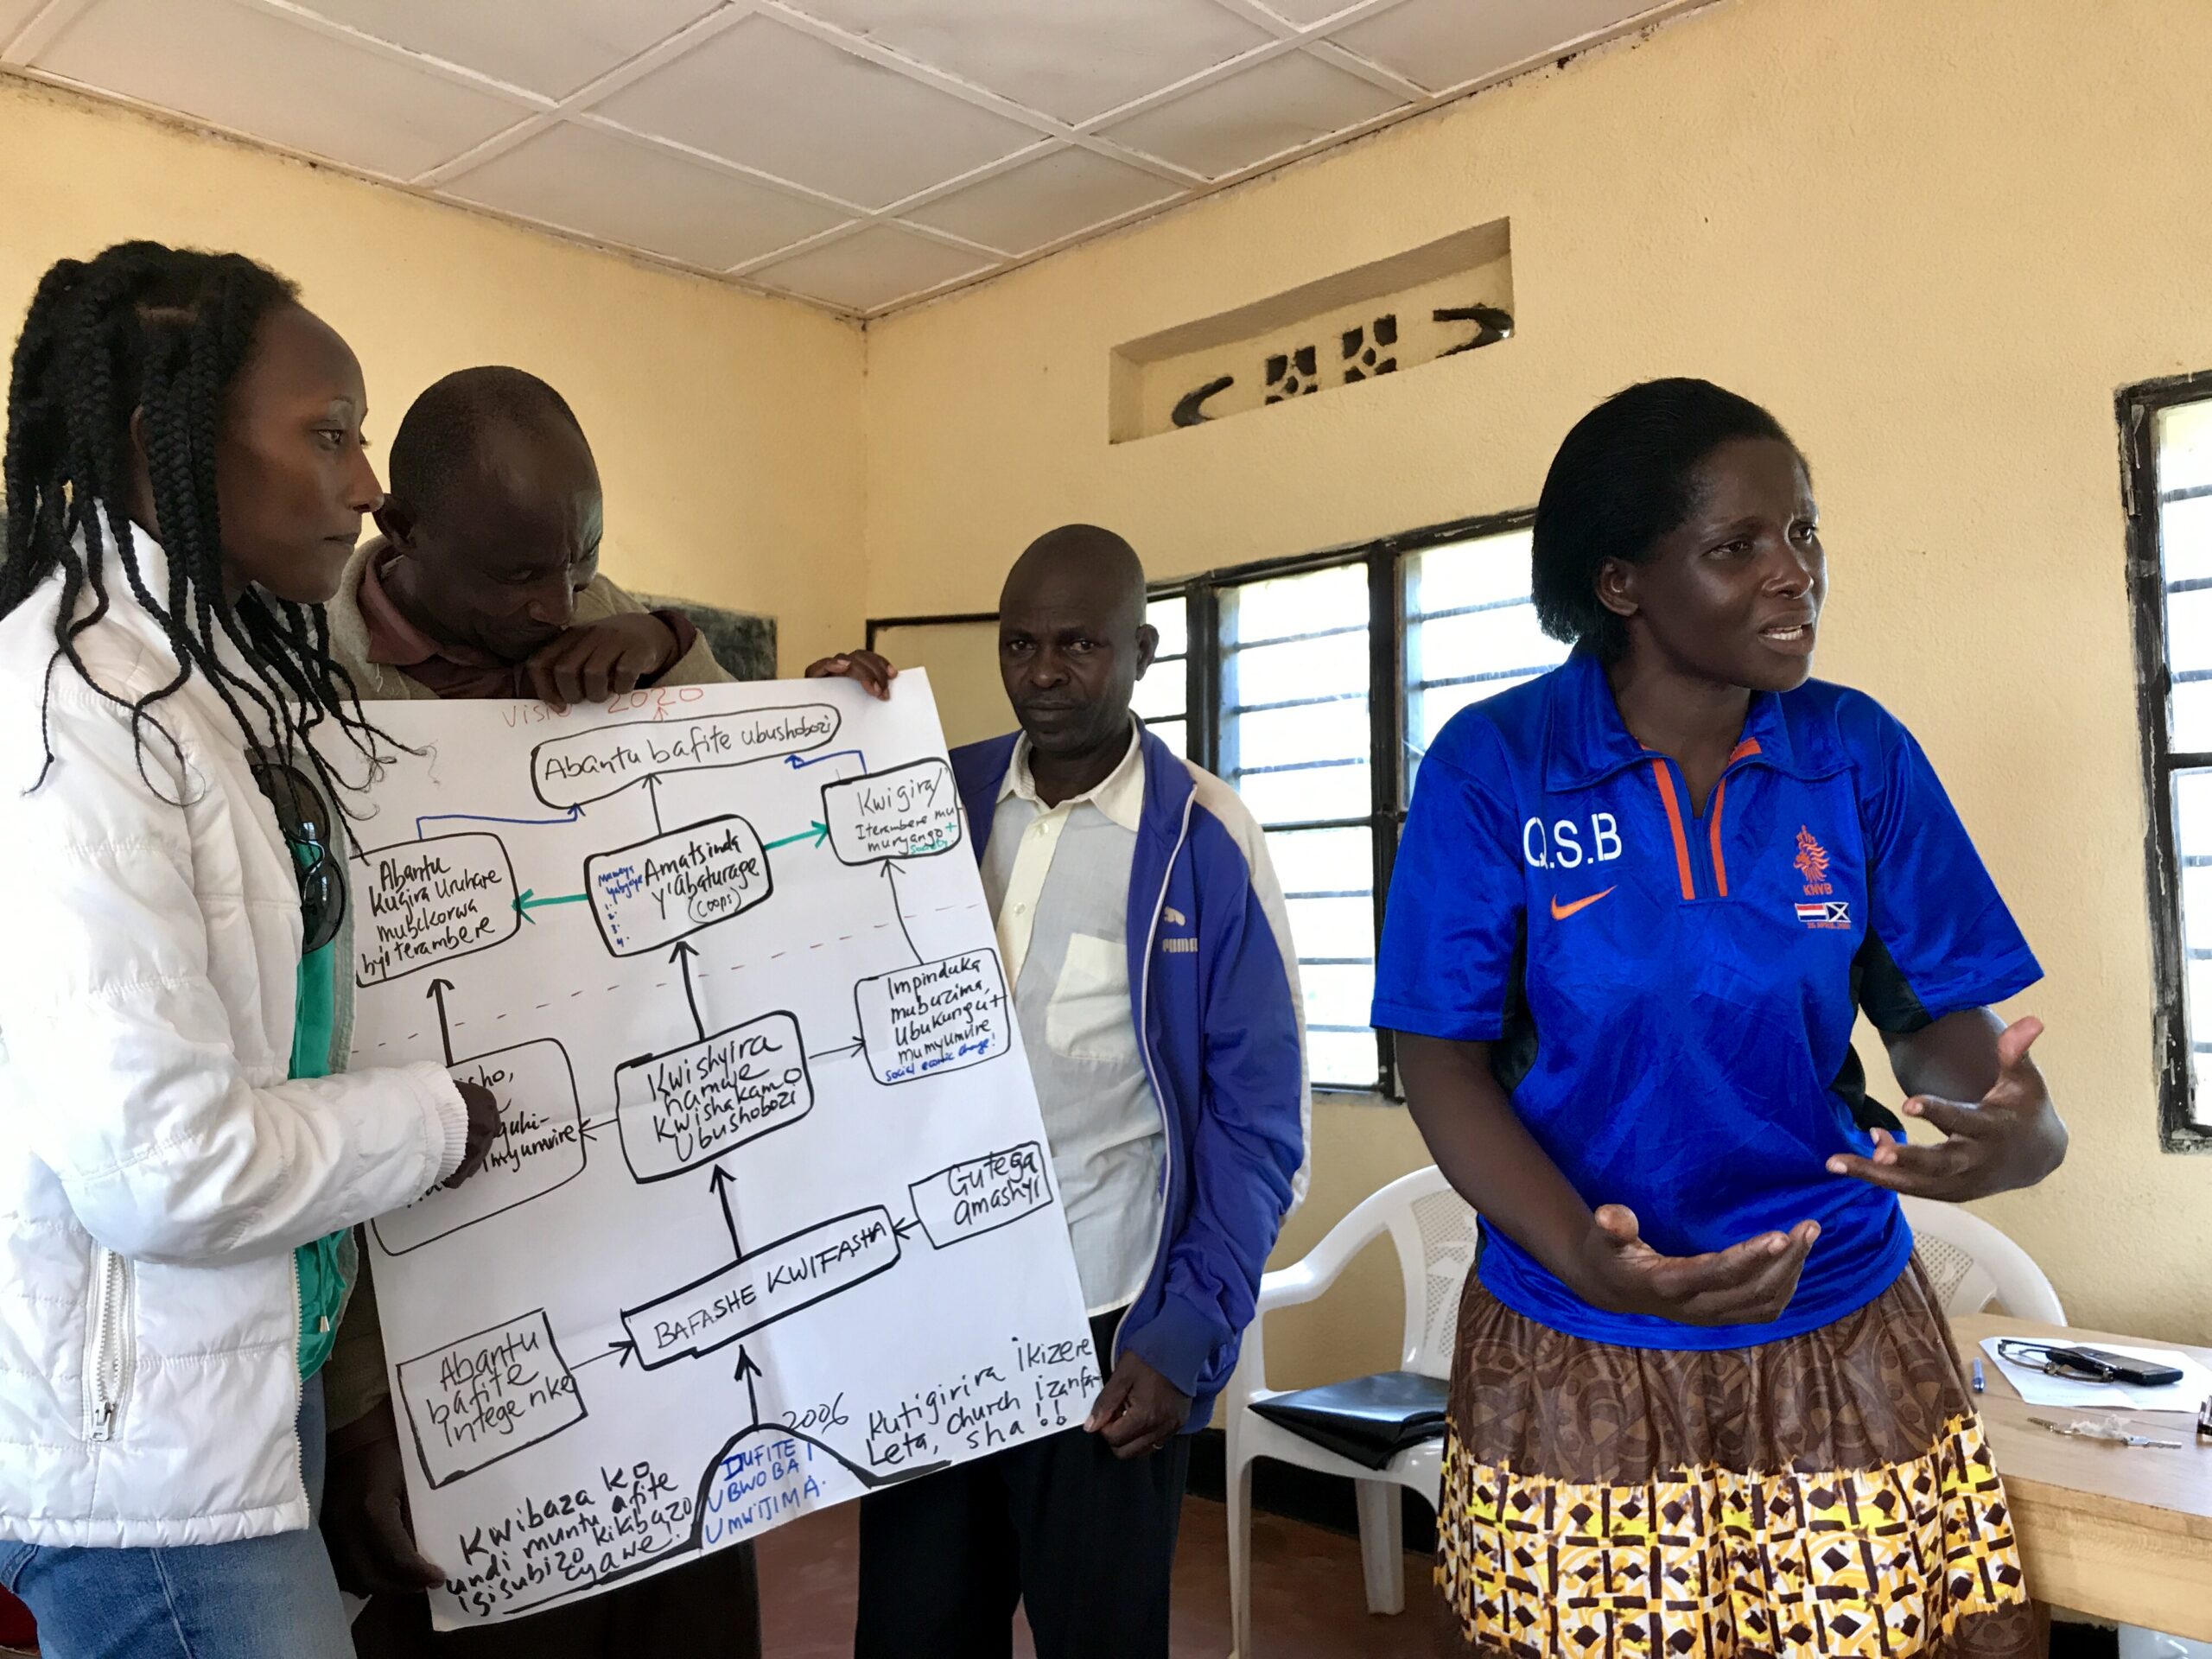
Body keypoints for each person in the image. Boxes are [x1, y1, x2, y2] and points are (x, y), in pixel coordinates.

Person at [1374, 378, 2063, 1657]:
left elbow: (1937, 1028)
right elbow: (1441, 1063)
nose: (1792, 574)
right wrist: (1586, 1252)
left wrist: (2017, 1131)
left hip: (1837, 1313)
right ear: (1624, 582)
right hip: (1577, 1331)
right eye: (1738, 546)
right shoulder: (1497, 765)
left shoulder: (1853, 753)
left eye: (1802, 533)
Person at [318, 364, 893, 1657]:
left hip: (654, 1285)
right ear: (398, 537)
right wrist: (354, 1410)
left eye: (581, 563)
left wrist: (697, 662)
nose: (560, 604)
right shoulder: (304, 684)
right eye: (522, 578)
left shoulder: (601, 615)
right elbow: (310, 1071)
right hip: (430, 1328)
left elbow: (745, 849)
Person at [0, 242, 504, 1658]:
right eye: (329, 433)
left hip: (229, 1386)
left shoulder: (200, 687)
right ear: (171, 448)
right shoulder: (69, 726)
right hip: (144, 1475)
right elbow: (166, 1170)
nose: (364, 483)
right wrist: (434, 1120)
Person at [854, 524, 1310, 1659]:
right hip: (938, 1312)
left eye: (1077, 647)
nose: (1044, 676)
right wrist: (823, 736)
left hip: (1108, 1324)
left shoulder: (1205, 838)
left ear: (1141, 649)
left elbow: (1259, 1123)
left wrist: (1193, 1322)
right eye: (1019, 646)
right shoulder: (934, 799)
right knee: (912, 1633)